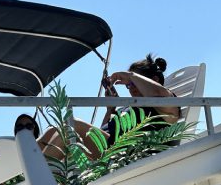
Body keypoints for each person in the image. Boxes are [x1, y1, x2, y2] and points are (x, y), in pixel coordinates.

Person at [15, 54, 181, 160]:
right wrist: (110, 110)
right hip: (109, 148)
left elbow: (160, 94)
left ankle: (35, 182)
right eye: (129, 85)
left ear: (154, 80)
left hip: (124, 154)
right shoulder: (133, 110)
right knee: (54, 131)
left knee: (71, 127)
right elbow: (106, 131)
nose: (131, 87)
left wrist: (129, 75)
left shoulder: (167, 105)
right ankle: (26, 176)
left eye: (134, 82)